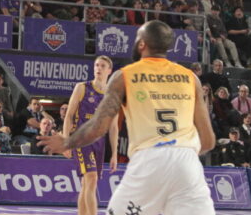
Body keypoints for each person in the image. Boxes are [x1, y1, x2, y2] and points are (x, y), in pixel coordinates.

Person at [38, 21, 216, 214]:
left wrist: (67, 142)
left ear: (141, 44)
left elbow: (99, 126)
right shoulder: (191, 78)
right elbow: (208, 141)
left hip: (150, 159)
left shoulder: (124, 76)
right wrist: (178, 158)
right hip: (188, 162)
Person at [61, 56, 118, 215]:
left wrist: (114, 153)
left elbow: (113, 127)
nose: (98, 68)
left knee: (87, 184)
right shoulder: (82, 88)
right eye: (96, 65)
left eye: (102, 66)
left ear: (109, 70)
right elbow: (69, 116)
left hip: (99, 142)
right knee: (91, 178)